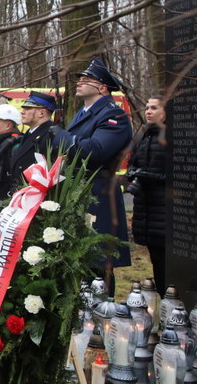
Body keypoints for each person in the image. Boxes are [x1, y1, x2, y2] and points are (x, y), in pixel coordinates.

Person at [66, 58, 134, 288]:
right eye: (80, 78)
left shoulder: (113, 115)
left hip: (98, 193)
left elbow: (96, 151)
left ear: (103, 87)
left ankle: (102, 313)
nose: (80, 82)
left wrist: (62, 138)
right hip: (78, 191)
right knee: (78, 260)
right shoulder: (83, 113)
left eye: (87, 79)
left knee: (96, 263)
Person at [128, 96, 168, 286]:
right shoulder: (143, 134)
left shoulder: (170, 137)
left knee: (165, 264)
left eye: (154, 108)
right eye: (146, 108)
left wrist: (148, 176)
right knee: (157, 262)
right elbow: (132, 164)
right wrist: (133, 174)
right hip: (147, 210)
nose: (148, 111)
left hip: (164, 212)